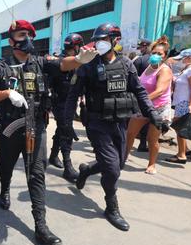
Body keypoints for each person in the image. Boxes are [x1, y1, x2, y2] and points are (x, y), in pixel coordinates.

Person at [0, 20, 96, 245]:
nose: (26, 39)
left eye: (29, 35)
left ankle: (41, 226)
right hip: (8, 127)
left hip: (36, 127)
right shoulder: (0, 66)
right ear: (11, 40)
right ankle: (4, 190)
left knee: (37, 173)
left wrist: (78, 60)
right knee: (6, 164)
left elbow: (63, 64)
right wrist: (6, 93)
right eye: (21, 35)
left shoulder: (41, 62)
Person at [61, 23, 162, 231]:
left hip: (120, 123)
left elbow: (140, 91)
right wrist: (66, 123)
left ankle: (87, 169)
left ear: (115, 41)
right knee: (112, 168)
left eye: (104, 41)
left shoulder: (126, 64)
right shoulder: (87, 66)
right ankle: (111, 207)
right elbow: (72, 96)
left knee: (118, 163)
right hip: (97, 124)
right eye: (97, 41)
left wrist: (152, 114)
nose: (100, 45)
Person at [125, 36, 173, 174]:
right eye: (154, 53)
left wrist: (140, 101)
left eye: (160, 54)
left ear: (164, 56)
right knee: (130, 133)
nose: (156, 56)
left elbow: (159, 91)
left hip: (158, 108)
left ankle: (152, 164)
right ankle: (124, 157)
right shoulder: (148, 68)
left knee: (152, 139)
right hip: (143, 106)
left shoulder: (164, 70)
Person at [47, 33, 85, 181]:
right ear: (76, 47)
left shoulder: (79, 62)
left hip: (71, 102)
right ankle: (68, 167)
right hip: (59, 102)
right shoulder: (58, 61)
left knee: (61, 129)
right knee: (67, 130)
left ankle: (53, 156)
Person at [165, 48, 191, 164]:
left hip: (185, 103)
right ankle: (184, 150)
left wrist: (190, 104)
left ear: (189, 58)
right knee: (179, 128)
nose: (180, 60)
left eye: (182, 58)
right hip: (181, 102)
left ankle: (181, 155)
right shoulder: (187, 68)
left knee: (180, 128)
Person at [133, 38, 152, 152]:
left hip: (140, 93)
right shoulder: (161, 62)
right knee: (149, 118)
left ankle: (143, 142)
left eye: (141, 47)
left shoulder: (139, 60)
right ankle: (143, 143)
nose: (140, 50)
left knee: (140, 117)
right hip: (155, 95)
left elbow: (132, 78)